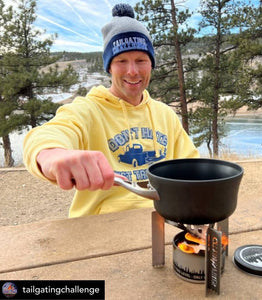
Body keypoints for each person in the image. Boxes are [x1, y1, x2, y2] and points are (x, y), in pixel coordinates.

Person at [23, 3, 199, 218]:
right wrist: (52, 154)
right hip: (99, 226)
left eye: (141, 60)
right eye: (121, 61)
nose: (132, 71)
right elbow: (49, 133)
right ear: (109, 67)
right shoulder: (88, 109)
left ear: (151, 64)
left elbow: (192, 168)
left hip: (162, 221)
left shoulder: (166, 115)